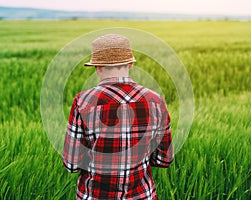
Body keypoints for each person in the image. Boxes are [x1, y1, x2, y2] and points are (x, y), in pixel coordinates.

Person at [63, 34, 174, 200]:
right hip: (142, 196)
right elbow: (164, 159)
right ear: (130, 64)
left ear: (98, 67)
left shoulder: (83, 102)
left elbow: (72, 164)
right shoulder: (155, 100)